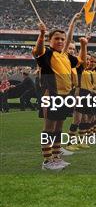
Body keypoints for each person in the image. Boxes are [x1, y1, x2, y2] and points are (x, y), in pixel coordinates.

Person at [34, 12, 87, 171]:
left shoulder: (64, 56)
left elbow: (81, 62)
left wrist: (74, 26)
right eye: (56, 38)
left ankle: (56, 157)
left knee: (58, 129)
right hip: (52, 97)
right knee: (48, 129)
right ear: (50, 41)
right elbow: (37, 51)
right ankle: (47, 160)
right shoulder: (47, 54)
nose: (60, 41)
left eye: (62, 39)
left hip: (65, 97)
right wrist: (42, 34)